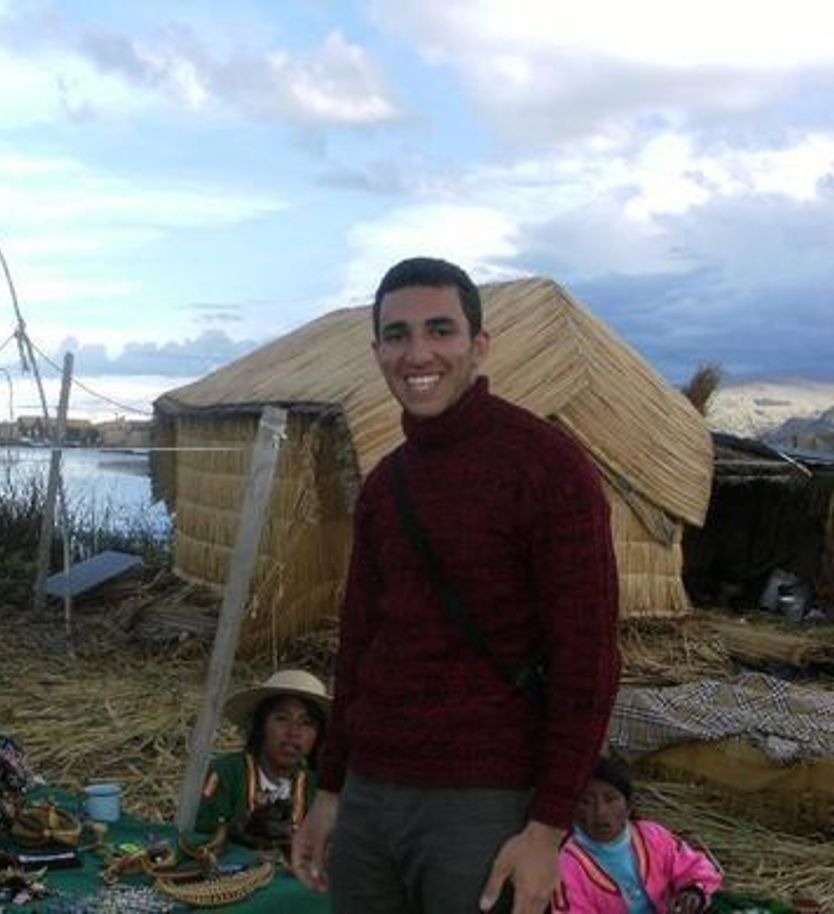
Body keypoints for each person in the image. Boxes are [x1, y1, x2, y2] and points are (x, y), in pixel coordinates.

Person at [291, 257, 621, 914]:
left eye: (440, 330)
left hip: (483, 801)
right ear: (378, 351)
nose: (419, 352)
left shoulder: (548, 469)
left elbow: (588, 661)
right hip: (371, 798)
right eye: (397, 335)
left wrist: (548, 828)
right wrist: (331, 792)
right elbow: (358, 647)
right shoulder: (386, 485)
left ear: (479, 345)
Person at [554, 756, 722, 913]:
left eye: (611, 799)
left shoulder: (653, 836)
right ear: (574, 809)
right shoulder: (567, 865)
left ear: (629, 806)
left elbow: (695, 867)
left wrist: (693, 891)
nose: (600, 812)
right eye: (586, 801)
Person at [196, 669, 330, 850]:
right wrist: (236, 831)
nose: (294, 732)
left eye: (306, 723)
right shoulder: (226, 773)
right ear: (260, 726)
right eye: (282, 719)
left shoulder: (318, 789)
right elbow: (198, 835)